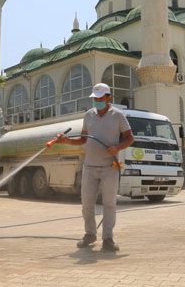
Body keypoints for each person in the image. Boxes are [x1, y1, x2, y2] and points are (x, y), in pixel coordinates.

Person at [56, 83, 134, 251]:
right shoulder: (89, 116)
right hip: (90, 167)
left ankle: (108, 238)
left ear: (108, 98)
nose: (97, 101)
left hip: (109, 167)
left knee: (109, 203)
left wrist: (117, 148)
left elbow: (130, 138)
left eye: (100, 98)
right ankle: (90, 234)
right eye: (95, 98)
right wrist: (67, 140)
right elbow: (84, 139)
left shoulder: (118, 116)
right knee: (87, 203)